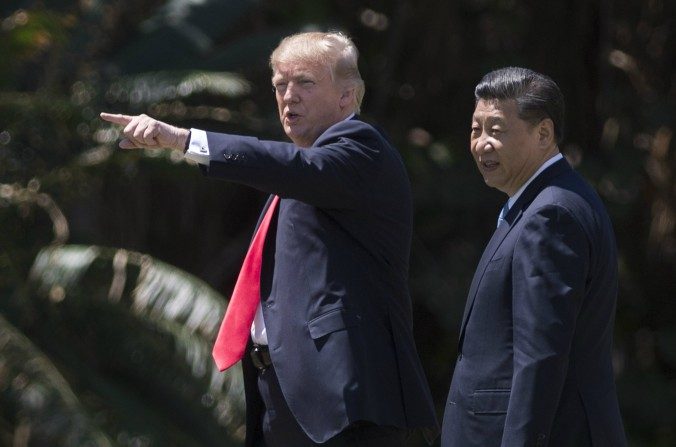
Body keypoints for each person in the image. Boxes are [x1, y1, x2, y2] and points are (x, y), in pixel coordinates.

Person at [101, 31, 439, 447]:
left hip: (344, 404)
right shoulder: (303, 169)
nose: (288, 96)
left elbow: (293, 167)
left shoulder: (360, 149)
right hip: (282, 395)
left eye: (305, 83)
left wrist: (182, 139)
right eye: (280, 85)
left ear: (347, 97)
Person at [441, 67, 626, 447]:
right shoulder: (539, 203)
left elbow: (540, 356)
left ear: (543, 133)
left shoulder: (551, 215)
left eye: (497, 130)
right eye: (476, 130)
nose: (482, 144)